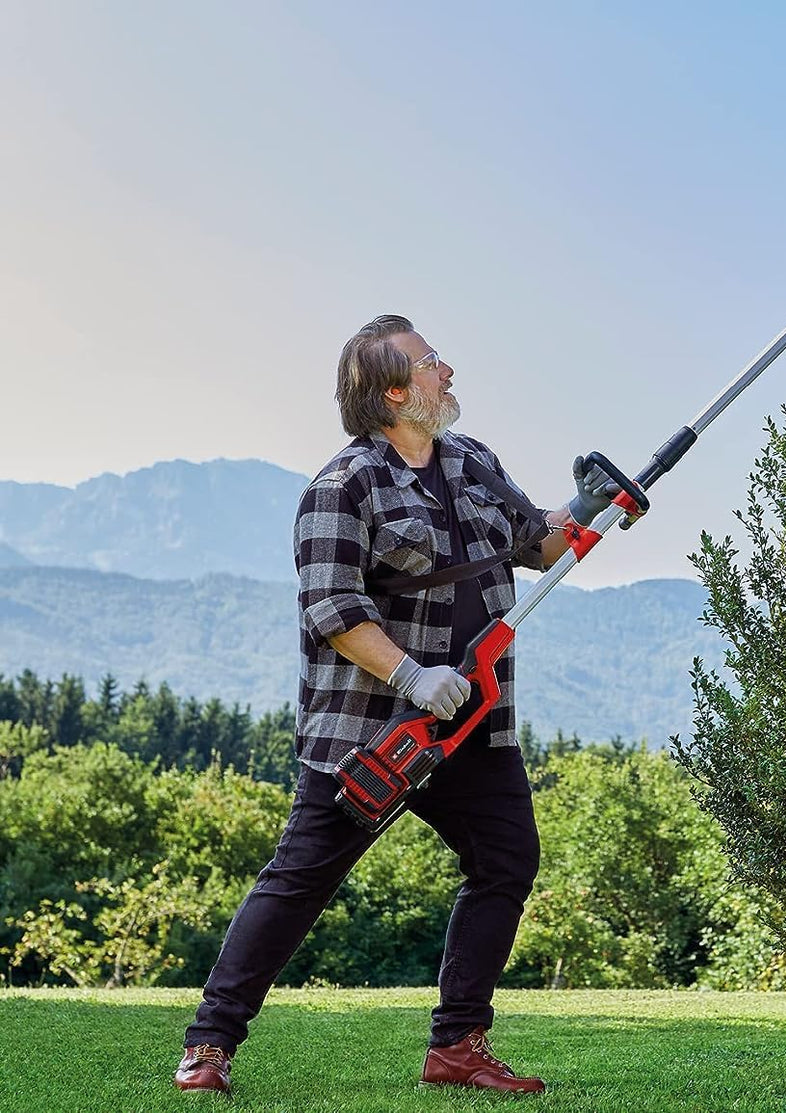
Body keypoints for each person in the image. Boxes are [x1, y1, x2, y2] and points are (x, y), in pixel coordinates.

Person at [173, 314, 618, 1097]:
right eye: (430, 361)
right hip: (371, 734)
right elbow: (332, 609)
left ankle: (457, 1045)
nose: (448, 370)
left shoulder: (474, 461)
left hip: (473, 723)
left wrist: (586, 507)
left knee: (506, 862)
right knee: (298, 881)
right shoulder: (341, 487)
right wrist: (412, 676)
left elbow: (537, 544)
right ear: (392, 392)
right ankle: (210, 1044)